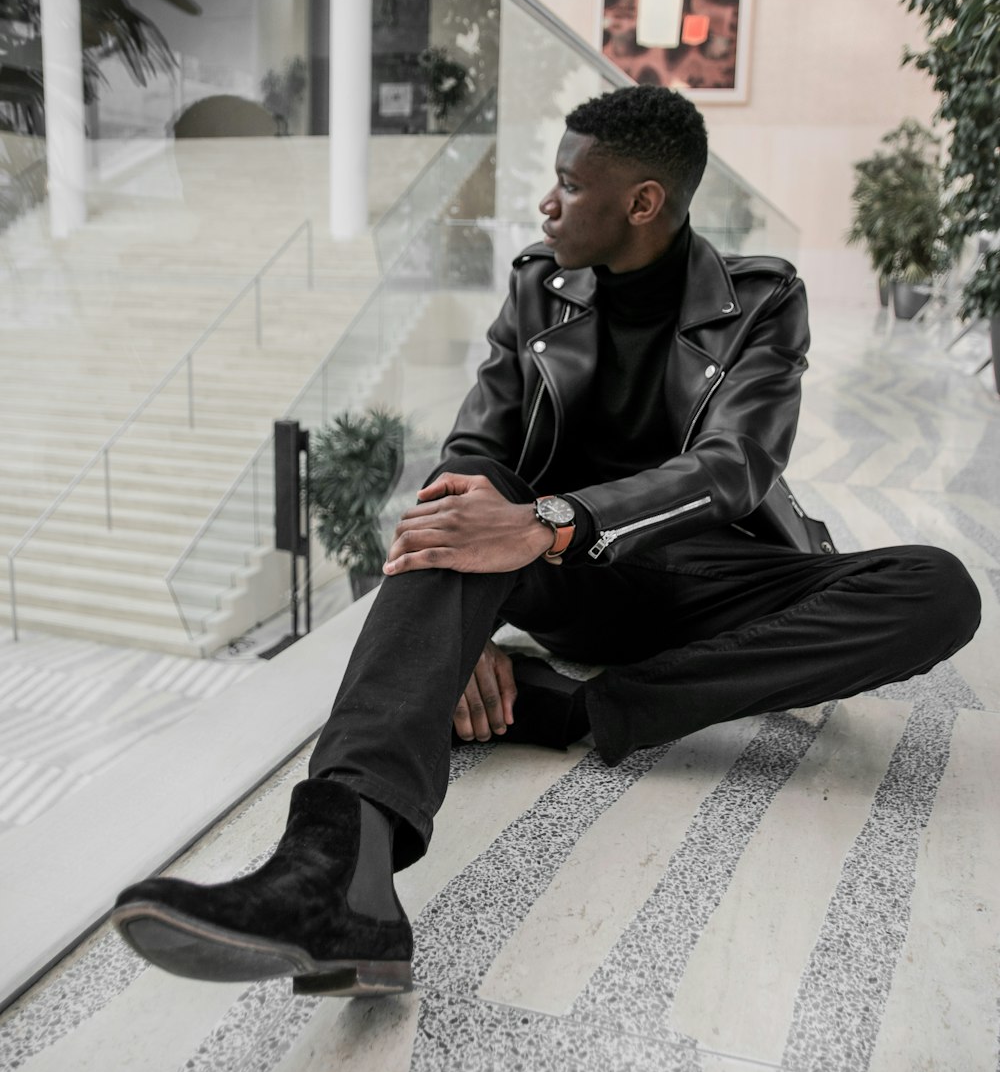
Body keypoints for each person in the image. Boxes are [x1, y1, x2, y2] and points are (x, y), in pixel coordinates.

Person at [112, 86, 980, 997]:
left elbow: (737, 465)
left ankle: (576, 711)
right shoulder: (538, 283)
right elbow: (476, 453)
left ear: (643, 202)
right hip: (557, 579)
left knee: (938, 588)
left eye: (569, 184)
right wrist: (466, 631)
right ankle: (338, 868)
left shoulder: (762, 300)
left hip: (705, 579)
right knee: (463, 503)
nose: (546, 202)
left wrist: (556, 521)